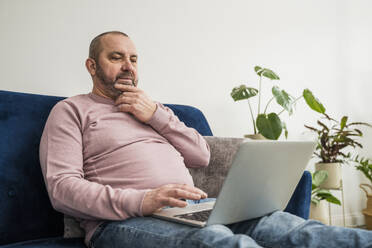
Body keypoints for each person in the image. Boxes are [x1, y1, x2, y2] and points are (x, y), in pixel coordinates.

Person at [39, 31, 372, 248]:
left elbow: (200, 154)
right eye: (116, 57)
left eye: (134, 58)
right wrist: (143, 199)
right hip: (122, 222)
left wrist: (154, 112)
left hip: (195, 209)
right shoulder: (71, 111)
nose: (128, 66)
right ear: (91, 66)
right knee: (223, 243)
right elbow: (63, 189)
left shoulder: (153, 110)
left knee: (304, 232)